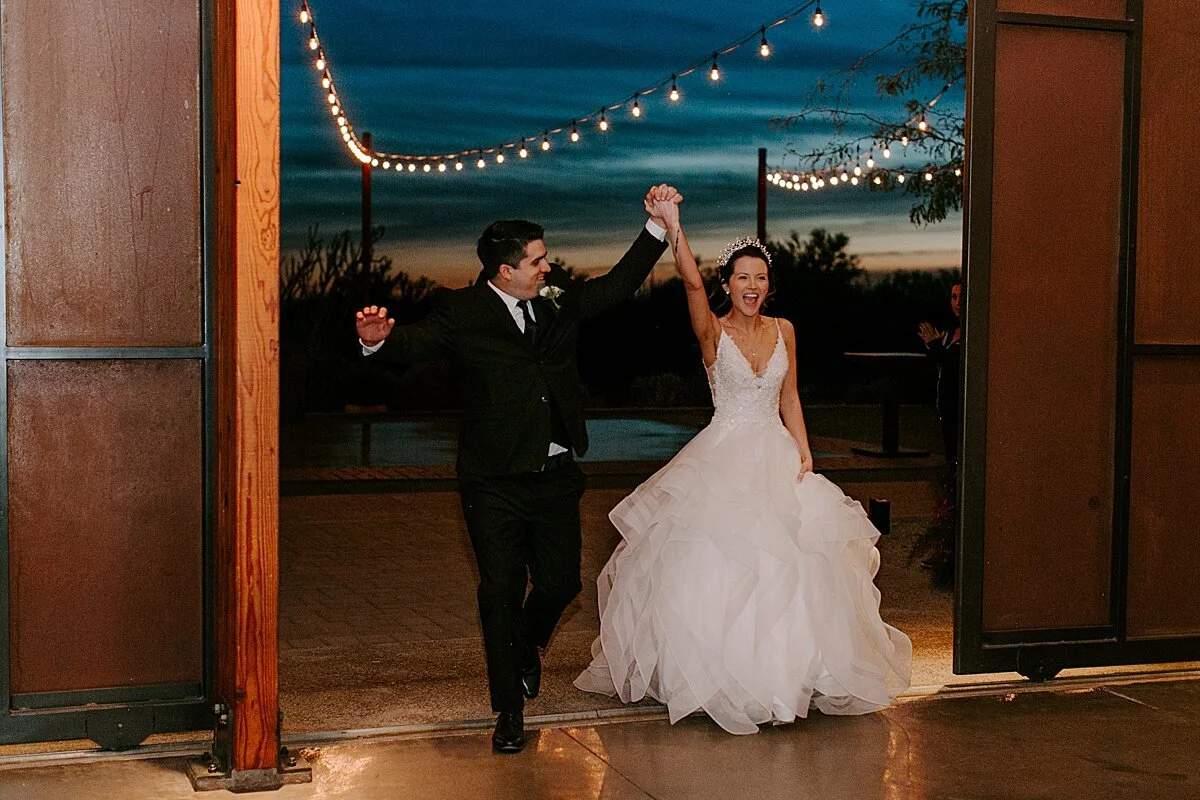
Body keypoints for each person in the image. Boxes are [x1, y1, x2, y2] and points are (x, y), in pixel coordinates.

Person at [354, 186, 676, 754]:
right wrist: (377, 342)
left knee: (560, 583)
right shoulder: (463, 312)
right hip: (492, 480)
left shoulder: (556, 299)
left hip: (555, 474)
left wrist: (656, 229)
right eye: (537, 260)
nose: (547, 266)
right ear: (505, 271)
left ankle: (524, 645)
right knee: (500, 589)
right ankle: (508, 709)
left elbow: (615, 287)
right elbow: (416, 343)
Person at [574, 195, 912, 734]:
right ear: (726, 284)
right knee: (720, 564)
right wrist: (674, 227)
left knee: (796, 563)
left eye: (760, 278)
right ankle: (724, 680)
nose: (752, 286)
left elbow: (790, 395)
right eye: (742, 278)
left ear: (768, 285)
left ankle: (792, 676)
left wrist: (805, 450)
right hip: (723, 456)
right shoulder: (712, 331)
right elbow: (690, 285)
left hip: (776, 453)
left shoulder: (785, 329)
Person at [918, 282, 962, 466]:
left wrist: (935, 347)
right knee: (950, 455)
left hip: (961, 408)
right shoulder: (950, 332)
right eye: (954, 297)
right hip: (946, 407)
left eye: (962, 297)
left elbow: (953, 364)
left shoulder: (973, 333)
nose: (958, 303)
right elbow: (939, 364)